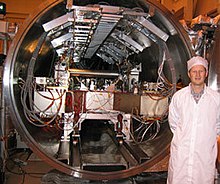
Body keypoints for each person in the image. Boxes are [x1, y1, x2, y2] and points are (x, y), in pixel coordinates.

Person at [167, 56, 220, 184]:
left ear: (206, 73)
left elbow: (218, 126)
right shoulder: (179, 97)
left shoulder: (216, 99)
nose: (197, 74)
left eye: (201, 71)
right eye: (194, 71)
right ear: (188, 73)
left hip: (204, 155)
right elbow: (173, 123)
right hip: (181, 155)